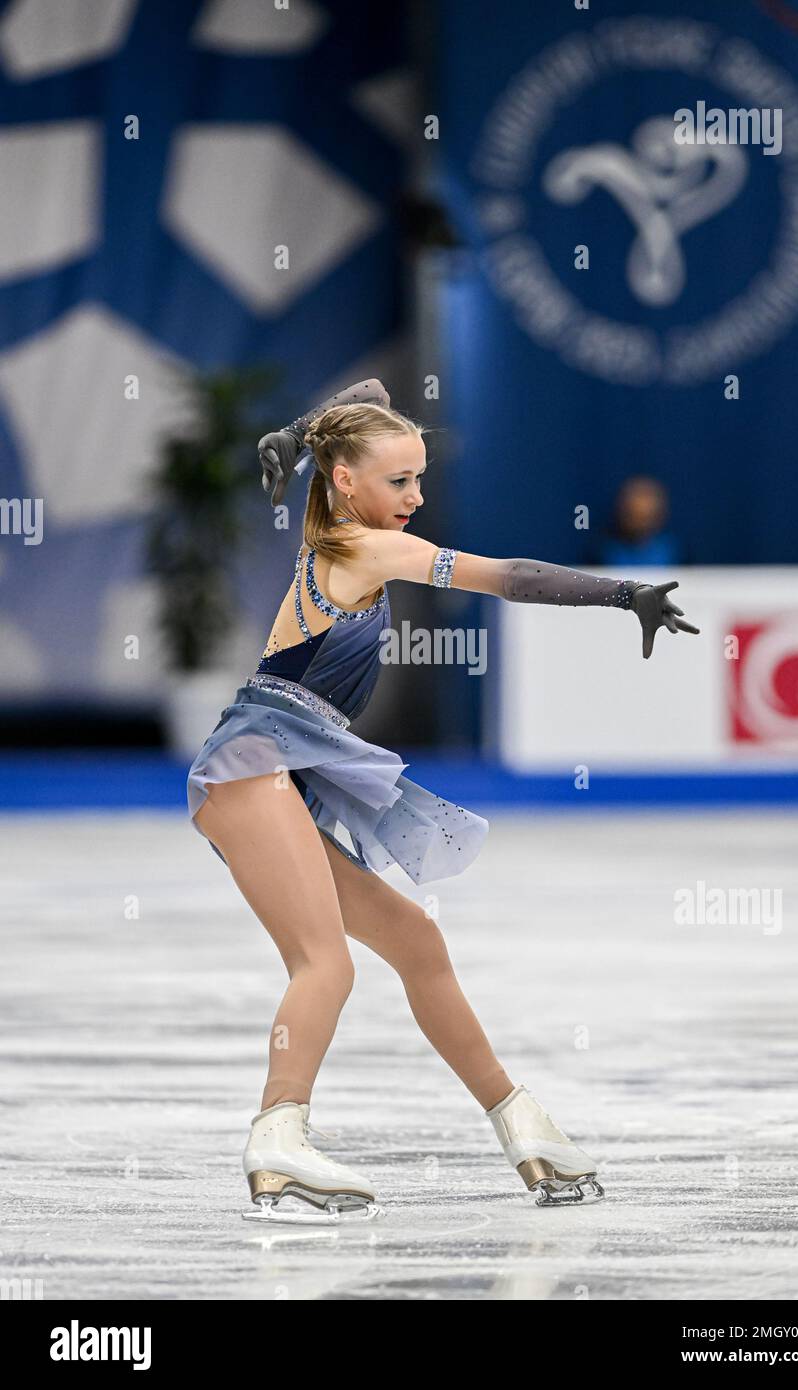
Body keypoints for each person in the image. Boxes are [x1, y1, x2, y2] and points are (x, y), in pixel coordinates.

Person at [186, 380, 699, 1223]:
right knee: (326, 963)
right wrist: (621, 593)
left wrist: (297, 429)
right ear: (346, 484)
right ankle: (278, 1137)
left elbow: (373, 395)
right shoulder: (363, 548)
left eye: (420, 477)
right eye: (399, 481)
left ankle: (523, 1124)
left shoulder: (352, 528)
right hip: (253, 762)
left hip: (272, 765)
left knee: (417, 939)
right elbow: (512, 579)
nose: (417, 497)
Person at [594, 475, 684, 568]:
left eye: (645, 518)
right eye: (633, 516)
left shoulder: (674, 553)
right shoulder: (606, 553)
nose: (640, 524)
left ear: (660, 515)